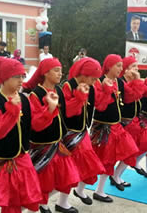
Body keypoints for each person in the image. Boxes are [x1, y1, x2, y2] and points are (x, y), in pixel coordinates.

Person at [0, 57, 42, 213]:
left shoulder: (24, 100)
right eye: (16, 77)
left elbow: (34, 125)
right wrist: (12, 110)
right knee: (9, 200)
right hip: (4, 157)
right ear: (4, 78)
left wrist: (49, 111)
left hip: (22, 155)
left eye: (22, 76)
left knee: (27, 193)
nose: (21, 80)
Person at [23, 58, 81, 213]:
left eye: (61, 70)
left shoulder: (59, 90)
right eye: (56, 70)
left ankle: (60, 203)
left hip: (58, 143)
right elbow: (36, 124)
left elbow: (66, 113)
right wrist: (49, 109)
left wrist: (80, 98)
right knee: (44, 180)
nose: (60, 73)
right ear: (45, 73)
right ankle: (40, 206)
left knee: (68, 177)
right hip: (43, 145)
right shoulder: (36, 94)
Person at [90, 54, 139, 202]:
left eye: (121, 65)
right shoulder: (98, 81)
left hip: (116, 127)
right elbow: (99, 104)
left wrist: (136, 81)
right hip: (103, 128)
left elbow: (131, 97)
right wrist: (105, 89)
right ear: (109, 66)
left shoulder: (118, 82)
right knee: (99, 161)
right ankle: (92, 190)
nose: (121, 68)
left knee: (130, 151)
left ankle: (112, 179)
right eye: (118, 65)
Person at [61, 58, 106, 206]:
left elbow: (98, 106)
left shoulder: (91, 88)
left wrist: (106, 91)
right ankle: (61, 202)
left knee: (89, 166)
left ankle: (79, 190)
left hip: (83, 131)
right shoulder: (68, 86)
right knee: (66, 170)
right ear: (84, 75)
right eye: (92, 78)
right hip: (68, 134)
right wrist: (79, 98)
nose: (94, 82)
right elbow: (67, 112)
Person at [115, 56, 147, 186]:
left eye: (137, 67)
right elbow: (132, 96)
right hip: (124, 124)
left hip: (135, 121)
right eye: (133, 67)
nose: (136, 70)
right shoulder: (121, 83)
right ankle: (116, 176)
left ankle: (118, 174)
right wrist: (138, 80)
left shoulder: (134, 82)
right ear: (126, 70)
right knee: (130, 151)